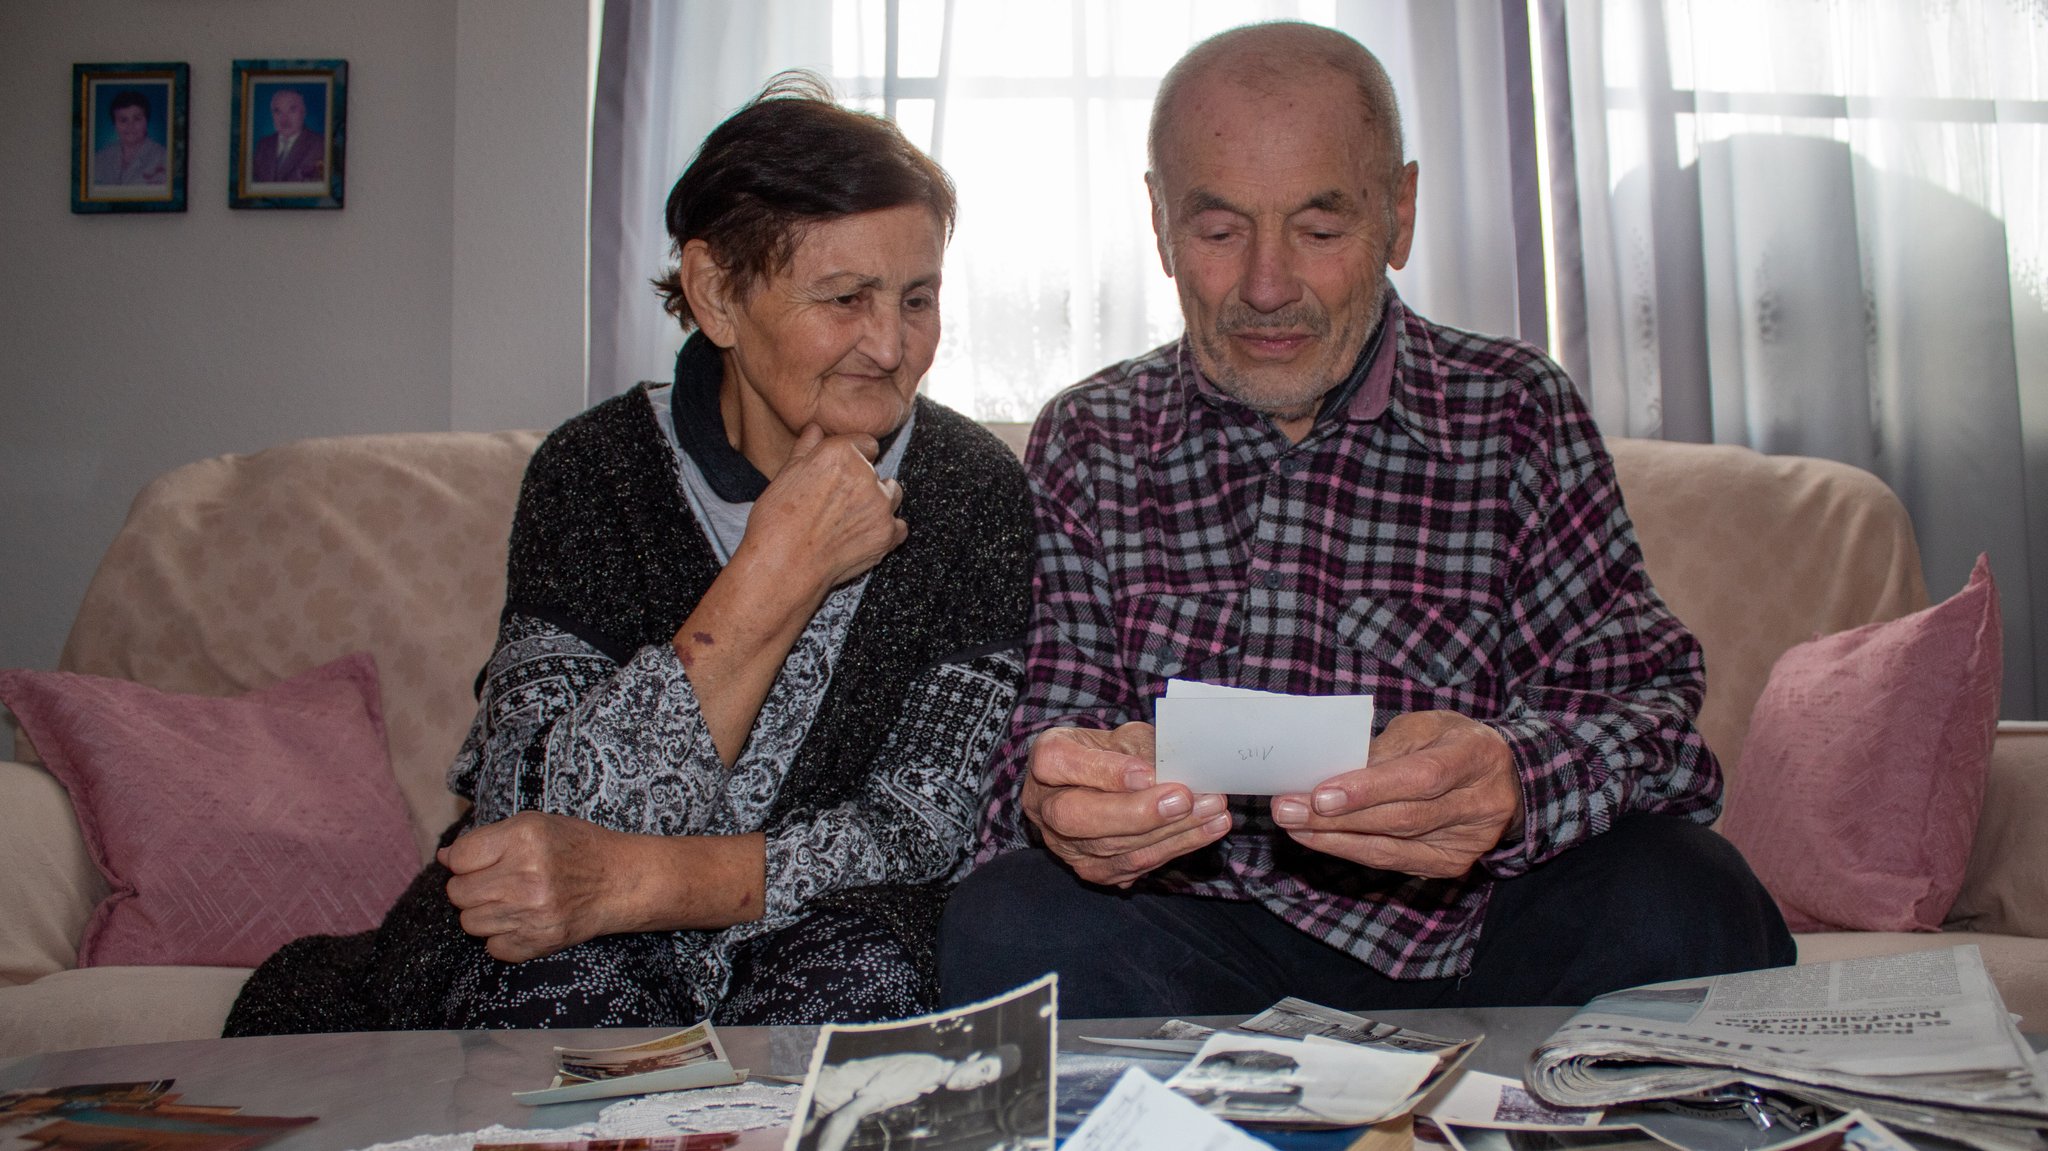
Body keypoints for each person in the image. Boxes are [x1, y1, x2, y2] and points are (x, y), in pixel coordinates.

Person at [938, 22, 1793, 1017]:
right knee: (1005, 919)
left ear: (1398, 211)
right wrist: (1065, 793)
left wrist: (1512, 778)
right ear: (1161, 222)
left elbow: (1652, 722)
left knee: (1690, 891)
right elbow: (1038, 735)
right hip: (1192, 940)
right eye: (1218, 232)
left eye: (1319, 228)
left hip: (1482, 937)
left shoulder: (1513, 409)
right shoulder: (1090, 435)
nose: (1265, 286)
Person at [223, 73, 1031, 1032]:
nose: (892, 346)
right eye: (846, 297)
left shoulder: (973, 490)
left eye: (918, 298)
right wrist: (774, 568)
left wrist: (640, 881)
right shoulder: (596, 471)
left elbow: (925, 830)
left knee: (870, 979)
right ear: (716, 293)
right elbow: (533, 817)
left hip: (828, 923)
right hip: (571, 938)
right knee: (550, 988)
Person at [804, 1045, 1019, 1151]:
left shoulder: (930, 1080)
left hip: (813, 1104)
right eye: (983, 1070)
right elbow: (846, 1115)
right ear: (973, 1057)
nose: (973, 1082)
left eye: (983, 1082)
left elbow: (826, 1114)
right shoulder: (924, 1070)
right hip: (806, 1090)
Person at [93, 90, 167, 186]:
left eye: (137, 119)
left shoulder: (163, 157)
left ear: (146, 121)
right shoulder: (99, 158)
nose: (130, 126)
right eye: (123, 120)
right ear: (115, 124)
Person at [251, 88, 325, 183]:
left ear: (303, 113)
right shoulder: (263, 144)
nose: (284, 118)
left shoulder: (320, 144)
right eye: (278, 112)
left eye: (292, 110)